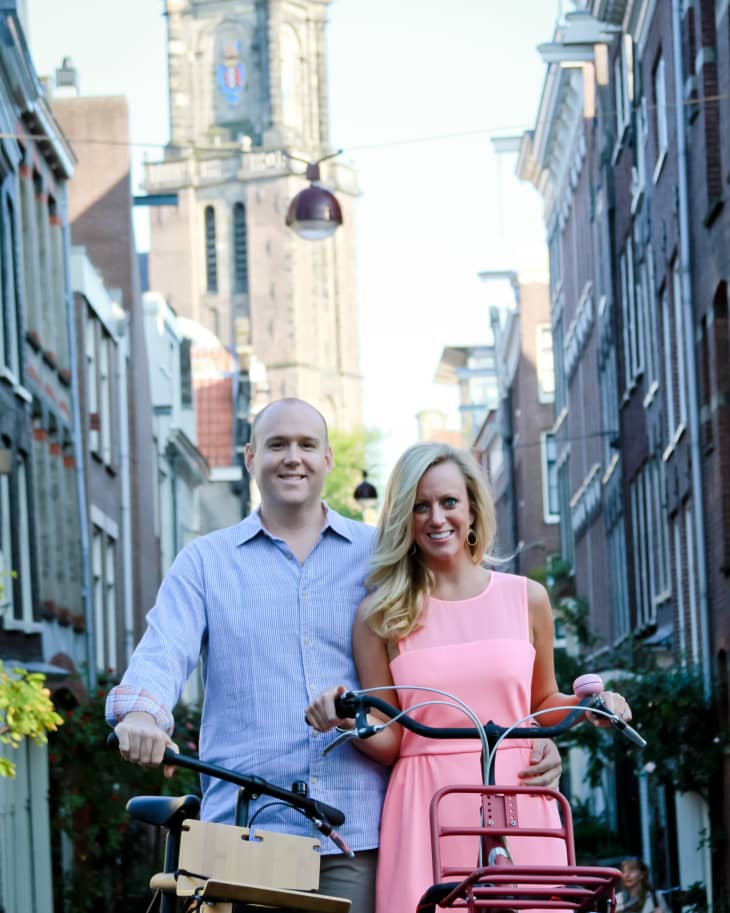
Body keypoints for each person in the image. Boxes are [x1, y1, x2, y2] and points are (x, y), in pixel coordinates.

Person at [106, 400, 562, 913]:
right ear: (251, 455)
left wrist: (529, 740)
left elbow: (460, 657)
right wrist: (142, 712)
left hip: (358, 830)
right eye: (277, 445)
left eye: (306, 445)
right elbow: (164, 648)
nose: (292, 458)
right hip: (247, 827)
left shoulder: (385, 560)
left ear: (327, 460)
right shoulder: (205, 563)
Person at [306, 442, 633, 913]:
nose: (436, 518)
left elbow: (541, 701)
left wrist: (592, 709)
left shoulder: (529, 598)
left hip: (521, 794)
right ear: (404, 518)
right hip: (427, 805)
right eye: (421, 506)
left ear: (473, 509)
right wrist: (345, 719)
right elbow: (393, 740)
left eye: (449, 502)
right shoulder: (379, 616)